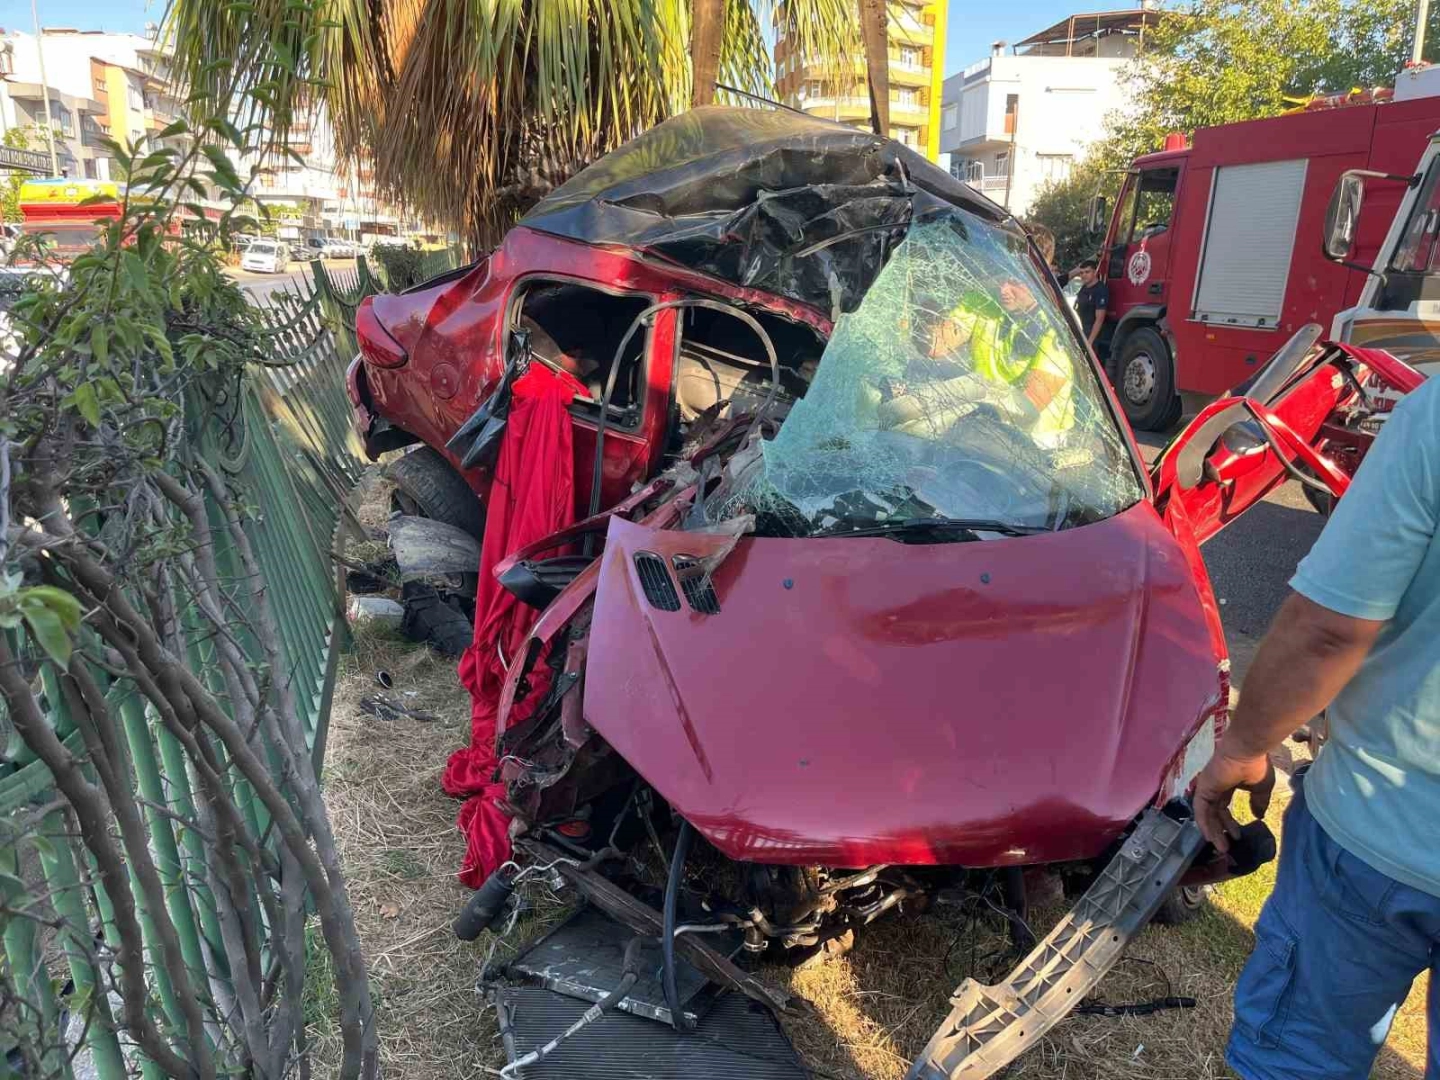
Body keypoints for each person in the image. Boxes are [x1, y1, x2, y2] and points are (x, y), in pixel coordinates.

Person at [1193, 374, 1440, 1080]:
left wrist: (1243, 748)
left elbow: (1328, 631)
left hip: (1375, 836)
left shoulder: (1433, 417)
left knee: (1298, 1060)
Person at [1074, 259, 1107, 349]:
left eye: (1087, 272)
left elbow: (1099, 319)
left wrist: (1090, 342)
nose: (1084, 275)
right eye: (1081, 273)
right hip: (1080, 330)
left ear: (1095, 272)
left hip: (1091, 334)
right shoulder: (1084, 288)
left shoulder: (1100, 290)